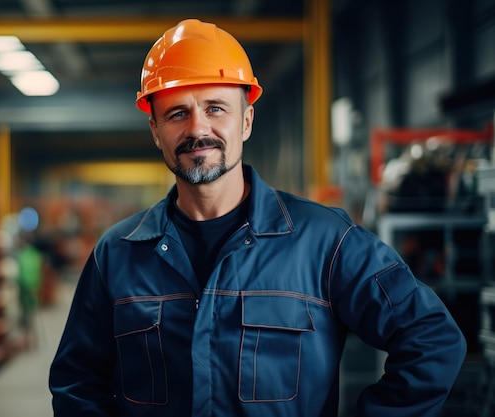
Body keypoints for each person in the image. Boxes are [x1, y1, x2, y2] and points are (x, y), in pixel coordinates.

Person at [49, 19, 466, 417]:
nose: (198, 129)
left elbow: (431, 339)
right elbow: (77, 381)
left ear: (246, 121)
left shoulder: (324, 242)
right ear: (155, 130)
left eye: (216, 108)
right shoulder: (118, 253)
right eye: (177, 113)